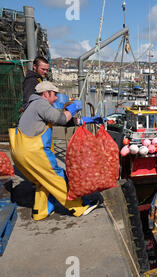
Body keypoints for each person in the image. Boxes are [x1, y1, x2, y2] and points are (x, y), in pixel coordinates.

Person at [9, 81, 100, 221]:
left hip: (20, 152)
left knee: (43, 181)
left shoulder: (33, 105)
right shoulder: (41, 104)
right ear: (46, 94)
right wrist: (73, 108)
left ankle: (41, 211)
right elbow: (61, 118)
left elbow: (61, 120)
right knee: (58, 177)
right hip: (34, 151)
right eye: (54, 94)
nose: (57, 97)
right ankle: (79, 207)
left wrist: (85, 121)